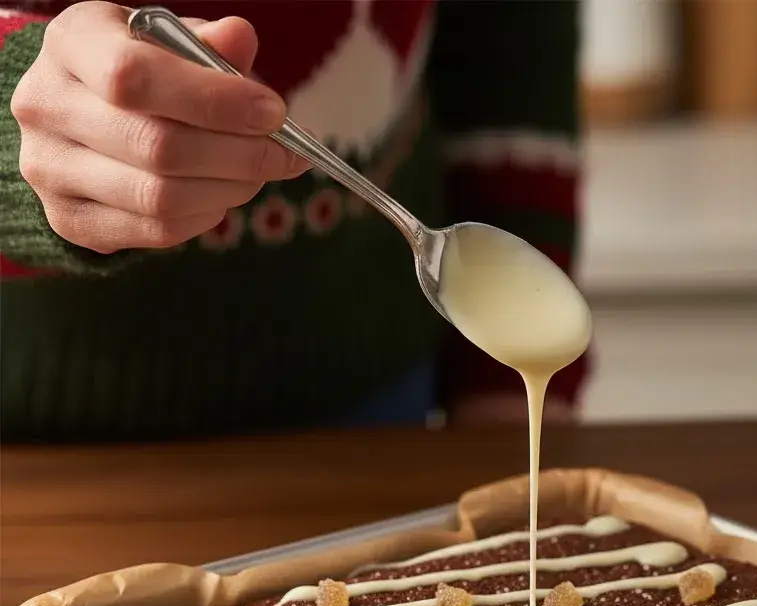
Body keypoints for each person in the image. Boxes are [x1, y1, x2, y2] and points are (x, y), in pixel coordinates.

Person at [0, 1, 588, 440]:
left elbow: (504, 38)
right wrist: (15, 130)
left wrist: (501, 384)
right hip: (40, 443)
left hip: (374, 406)